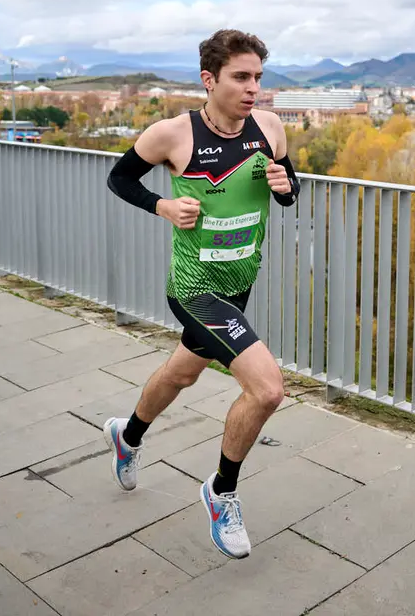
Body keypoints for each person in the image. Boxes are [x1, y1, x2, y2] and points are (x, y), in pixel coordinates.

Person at [102, 28, 300, 559]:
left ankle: (129, 434)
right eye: (241, 77)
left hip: (241, 280)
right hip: (194, 287)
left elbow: (287, 188)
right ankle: (222, 491)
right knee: (267, 390)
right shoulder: (172, 134)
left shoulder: (271, 127)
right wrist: (162, 206)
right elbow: (119, 179)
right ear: (209, 80)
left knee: (183, 371)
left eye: (258, 76)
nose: (252, 87)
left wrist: (287, 188)